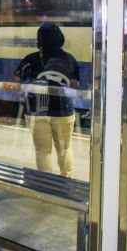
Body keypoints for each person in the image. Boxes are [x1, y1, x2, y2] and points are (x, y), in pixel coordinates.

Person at [14, 23, 80, 178]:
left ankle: (47, 184)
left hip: (37, 111)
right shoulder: (70, 59)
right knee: (65, 148)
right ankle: (67, 180)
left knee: (42, 150)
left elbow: (15, 83)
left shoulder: (30, 59)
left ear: (40, 40)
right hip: (63, 111)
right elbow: (75, 87)